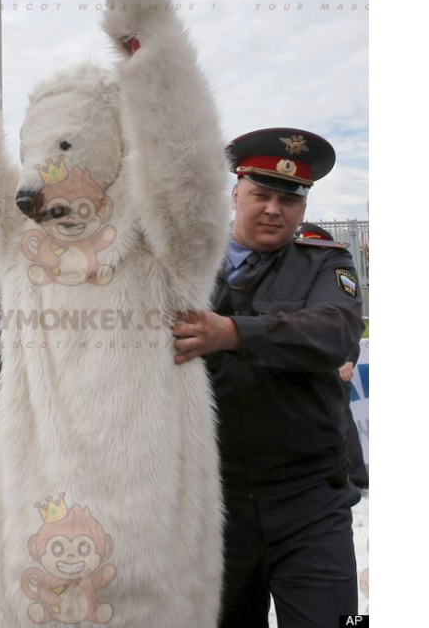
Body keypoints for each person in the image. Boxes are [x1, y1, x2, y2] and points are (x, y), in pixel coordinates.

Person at [171, 128, 365, 628]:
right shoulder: (186, 269)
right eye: (261, 194)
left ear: (302, 208)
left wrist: (232, 332)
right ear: (236, 193)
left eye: (288, 199)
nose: (274, 209)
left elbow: (336, 333)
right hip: (216, 502)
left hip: (310, 502)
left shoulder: (326, 262)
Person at [296, 222, 369, 490]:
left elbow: (350, 322)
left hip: (334, 363)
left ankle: (355, 478)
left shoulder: (340, 271)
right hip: (305, 364)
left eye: (313, 248)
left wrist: (347, 359)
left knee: (341, 423)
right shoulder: (294, 276)